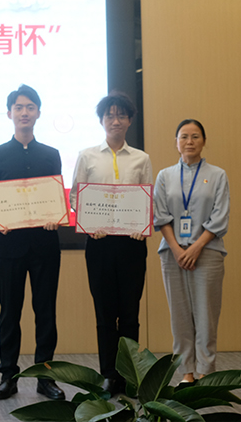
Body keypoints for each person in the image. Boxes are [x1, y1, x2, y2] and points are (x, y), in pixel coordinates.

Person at [0, 86, 66, 401]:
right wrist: (0, 221)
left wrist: (55, 216)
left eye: (30, 107)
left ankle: (46, 377)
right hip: (10, 246)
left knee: (46, 313)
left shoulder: (51, 154)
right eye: (18, 107)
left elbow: (55, 195)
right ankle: (8, 376)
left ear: (38, 112)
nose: (24, 112)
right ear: (9, 113)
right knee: (9, 313)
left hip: (45, 246)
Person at [70, 91, 153, 396]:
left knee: (130, 313)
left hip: (131, 244)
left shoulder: (142, 158)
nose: (115, 121)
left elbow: (148, 198)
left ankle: (131, 375)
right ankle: (108, 373)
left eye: (121, 115)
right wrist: (89, 224)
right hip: (100, 244)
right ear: (101, 120)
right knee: (105, 313)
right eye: (110, 115)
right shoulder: (87, 156)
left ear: (130, 120)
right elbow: (76, 196)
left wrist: (142, 226)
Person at [153, 119, 229, 384]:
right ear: (176, 142)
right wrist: (177, 249)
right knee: (180, 315)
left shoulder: (217, 175)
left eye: (195, 136)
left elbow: (220, 217)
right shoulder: (164, 176)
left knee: (206, 315)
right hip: (172, 254)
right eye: (184, 136)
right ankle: (186, 372)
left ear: (204, 141)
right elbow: (161, 215)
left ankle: (206, 372)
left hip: (207, 252)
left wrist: (196, 247)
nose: (189, 141)